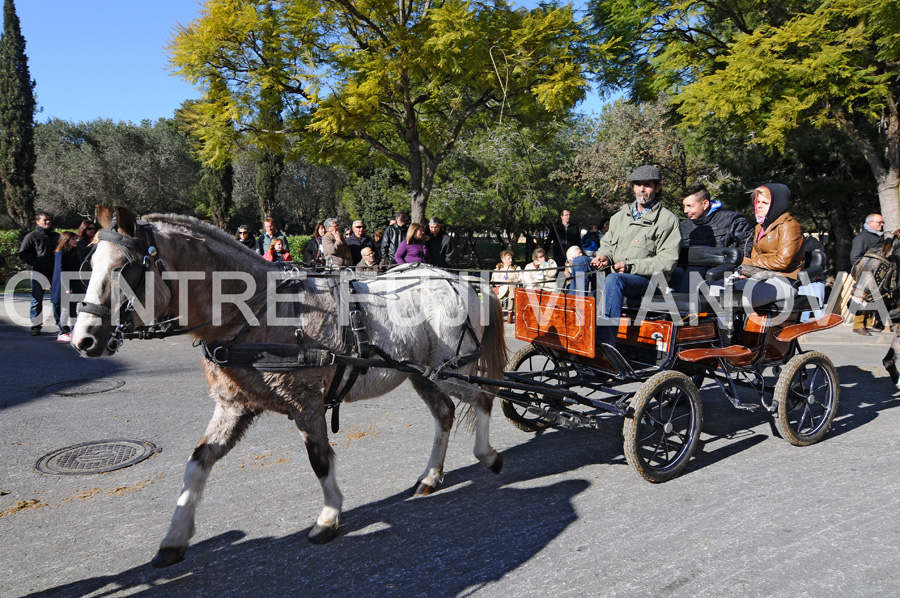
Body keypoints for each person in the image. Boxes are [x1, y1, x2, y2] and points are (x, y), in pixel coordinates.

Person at [589, 166, 681, 345]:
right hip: (617, 274)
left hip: (648, 281)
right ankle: (573, 326)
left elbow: (666, 262)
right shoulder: (618, 217)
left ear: (658, 188)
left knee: (615, 279)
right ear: (633, 187)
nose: (641, 189)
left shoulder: (668, 220)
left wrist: (631, 266)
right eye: (638, 185)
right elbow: (607, 245)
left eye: (647, 185)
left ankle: (605, 343)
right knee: (582, 262)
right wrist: (604, 256)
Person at [669, 182, 754, 293]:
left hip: (720, 275)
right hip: (686, 276)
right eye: (684, 206)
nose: (685, 210)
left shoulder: (730, 220)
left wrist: (741, 271)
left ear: (705, 204)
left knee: (699, 262)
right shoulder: (683, 226)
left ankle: (681, 305)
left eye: (690, 206)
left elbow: (747, 243)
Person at [735, 183, 804, 308]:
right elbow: (755, 256)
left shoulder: (789, 226)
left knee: (737, 297)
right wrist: (747, 271)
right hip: (761, 276)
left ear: (777, 205)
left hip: (784, 280)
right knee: (715, 289)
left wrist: (751, 262)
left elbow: (783, 261)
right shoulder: (760, 227)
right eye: (758, 202)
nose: (759, 206)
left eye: (765, 203)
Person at [18, 212, 61, 336]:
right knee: (36, 299)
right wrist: (36, 263)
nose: (47, 222)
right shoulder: (31, 236)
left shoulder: (56, 236)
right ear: (37, 222)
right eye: (44, 220)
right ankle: (36, 326)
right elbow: (23, 253)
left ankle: (60, 325)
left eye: (49, 219)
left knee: (57, 300)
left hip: (54, 272)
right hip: (38, 272)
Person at [850, 213, 885, 335]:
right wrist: (861, 273)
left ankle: (869, 324)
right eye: (879, 222)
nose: (882, 224)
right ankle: (858, 325)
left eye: (882, 222)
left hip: (876, 274)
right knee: (861, 298)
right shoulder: (862, 237)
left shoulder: (881, 237)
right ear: (870, 223)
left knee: (871, 299)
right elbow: (855, 257)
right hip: (865, 273)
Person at [51, 231, 87, 342]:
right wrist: (66, 287)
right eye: (73, 239)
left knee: (73, 309)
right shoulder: (61, 253)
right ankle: (62, 331)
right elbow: (60, 271)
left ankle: (72, 330)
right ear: (66, 240)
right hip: (64, 286)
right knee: (65, 309)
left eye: (76, 239)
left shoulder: (75, 252)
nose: (76, 241)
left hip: (74, 284)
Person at [491, 249, 522, 323]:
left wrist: (513, 281)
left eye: (511, 258)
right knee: (509, 287)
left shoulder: (516, 268)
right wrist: (506, 281)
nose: (511, 260)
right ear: (503, 259)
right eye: (509, 258)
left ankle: (510, 314)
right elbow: (495, 281)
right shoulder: (498, 269)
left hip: (513, 288)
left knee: (512, 287)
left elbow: (521, 279)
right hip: (501, 288)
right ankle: (501, 314)